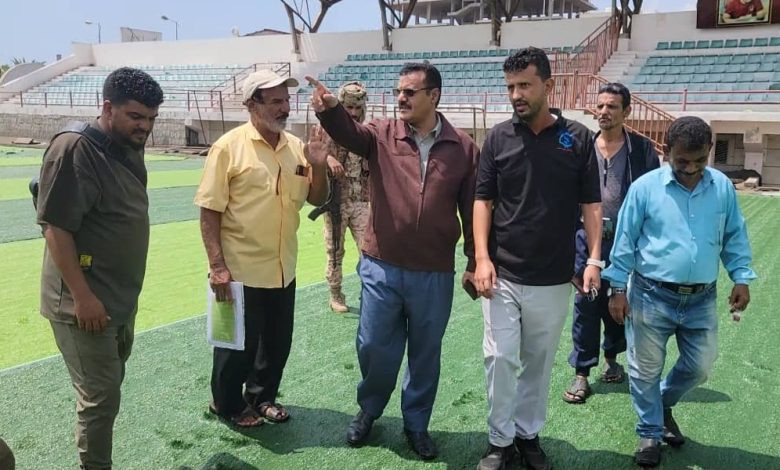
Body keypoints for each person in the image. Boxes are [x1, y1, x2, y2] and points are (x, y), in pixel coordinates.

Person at [307, 63, 479, 460]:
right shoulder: (381, 134)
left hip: (433, 271)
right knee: (372, 344)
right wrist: (330, 109)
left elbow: (472, 210)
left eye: (409, 92)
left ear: (433, 96)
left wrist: (474, 260)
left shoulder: (463, 147)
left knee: (425, 353)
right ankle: (369, 409)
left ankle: (416, 424)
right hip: (381, 265)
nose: (400, 98)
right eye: (398, 91)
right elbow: (348, 133)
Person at [472, 47, 603, 470]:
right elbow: (482, 200)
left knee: (538, 361)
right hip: (503, 273)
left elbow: (591, 204)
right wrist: (481, 258)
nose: (516, 94)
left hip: (553, 276)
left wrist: (594, 259)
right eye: (510, 86)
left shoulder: (578, 138)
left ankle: (527, 435)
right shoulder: (498, 138)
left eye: (525, 85)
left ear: (548, 85)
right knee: (500, 357)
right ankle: (499, 441)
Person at [603, 116, 756, 468]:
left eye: (700, 160)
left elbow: (734, 234)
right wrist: (617, 288)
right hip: (650, 294)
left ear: (710, 150)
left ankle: (660, 404)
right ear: (667, 150)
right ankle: (649, 432)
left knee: (701, 366)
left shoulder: (721, 187)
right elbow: (625, 240)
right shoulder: (645, 188)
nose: (691, 169)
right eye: (682, 160)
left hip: (702, 297)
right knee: (644, 369)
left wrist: (741, 277)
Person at [36, 67, 163, 469]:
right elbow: (55, 227)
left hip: (118, 299)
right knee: (100, 398)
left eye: (151, 118)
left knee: (107, 390)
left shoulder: (126, 144)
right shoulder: (74, 148)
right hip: (84, 304)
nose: (145, 126)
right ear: (108, 108)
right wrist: (83, 296)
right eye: (136, 116)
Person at [195, 69, 329, 427]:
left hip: (283, 266)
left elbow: (317, 197)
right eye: (275, 102)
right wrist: (217, 266)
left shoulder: (296, 147)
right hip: (240, 268)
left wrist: (318, 166)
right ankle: (226, 403)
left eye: (286, 100)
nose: (284, 108)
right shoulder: (228, 148)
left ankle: (262, 398)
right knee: (236, 345)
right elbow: (209, 211)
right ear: (252, 105)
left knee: (276, 343)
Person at [563, 83, 660, 405]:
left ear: (626, 111)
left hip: (625, 241)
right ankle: (581, 371)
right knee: (586, 305)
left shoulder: (642, 150)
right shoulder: (582, 147)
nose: (604, 112)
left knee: (619, 304)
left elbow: (652, 198)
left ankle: (612, 358)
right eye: (600, 106)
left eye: (612, 106)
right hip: (586, 239)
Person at [311, 81, 370, 313]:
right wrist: (328, 159)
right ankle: (335, 293)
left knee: (369, 249)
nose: (353, 113)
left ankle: (370, 291)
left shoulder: (366, 131)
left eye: (358, 108)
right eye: (349, 108)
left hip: (360, 199)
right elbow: (311, 151)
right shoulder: (328, 128)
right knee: (335, 250)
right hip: (336, 200)